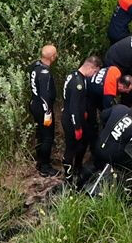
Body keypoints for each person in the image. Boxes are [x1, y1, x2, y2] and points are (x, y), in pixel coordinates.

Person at [88, 95, 132, 195]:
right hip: (110, 156)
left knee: (97, 163)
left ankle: (81, 180)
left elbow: (103, 115)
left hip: (98, 145)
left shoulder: (119, 108)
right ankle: (127, 191)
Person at [61, 52, 99, 184]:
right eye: (95, 72)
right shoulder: (79, 84)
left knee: (82, 143)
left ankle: (77, 168)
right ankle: (68, 177)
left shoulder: (75, 75)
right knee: (71, 148)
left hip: (75, 116)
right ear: (91, 67)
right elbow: (74, 107)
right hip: (71, 119)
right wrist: (77, 127)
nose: (93, 75)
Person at [27, 43, 58, 177]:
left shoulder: (35, 66)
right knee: (47, 137)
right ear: (52, 57)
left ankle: (40, 161)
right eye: (55, 54)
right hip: (42, 108)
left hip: (34, 103)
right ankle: (45, 166)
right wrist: (48, 113)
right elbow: (45, 96)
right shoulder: (45, 74)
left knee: (40, 134)